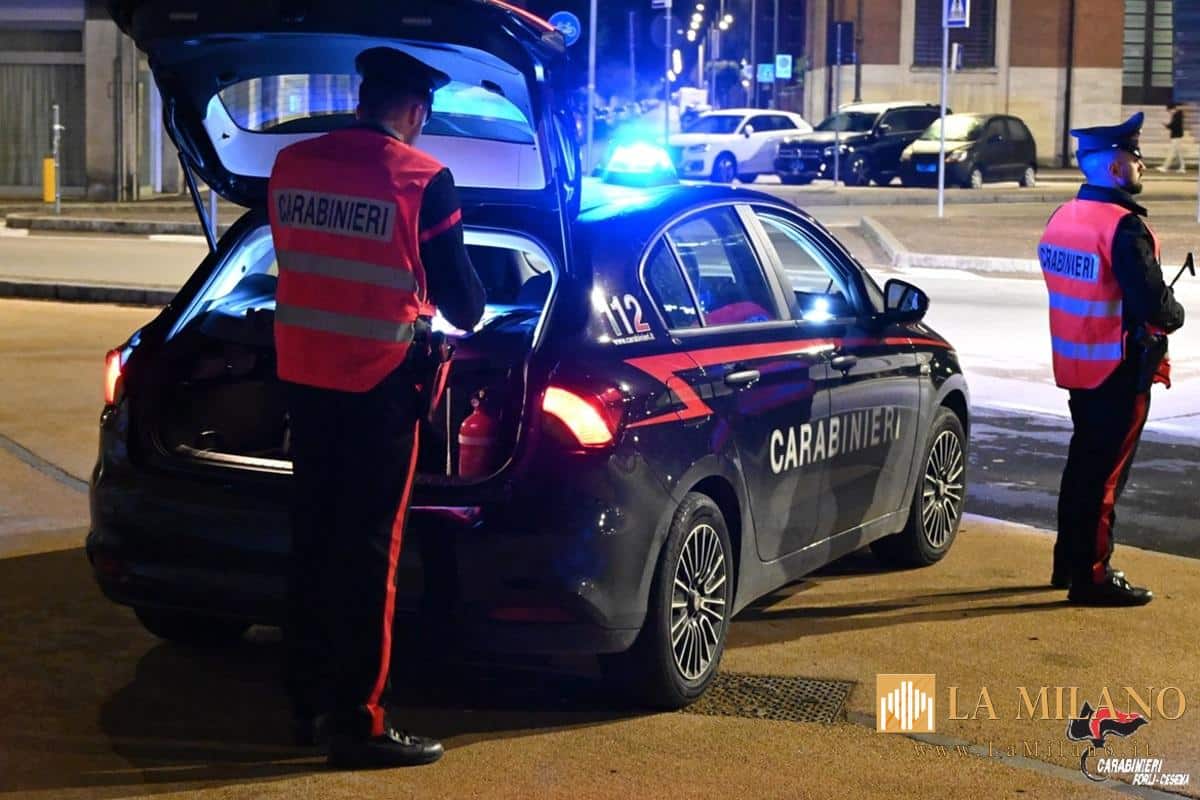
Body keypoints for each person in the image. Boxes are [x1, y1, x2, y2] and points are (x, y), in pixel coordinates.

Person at [268, 46, 485, 768]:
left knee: (312, 545)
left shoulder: (292, 165)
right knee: (369, 556)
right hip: (377, 388)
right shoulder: (423, 179)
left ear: (363, 97)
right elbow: (465, 302)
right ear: (416, 110)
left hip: (302, 380)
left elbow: (304, 261)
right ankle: (357, 724)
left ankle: (304, 706)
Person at [1040, 111, 1184, 606]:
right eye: (1134, 156)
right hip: (1119, 371)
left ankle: (1068, 561)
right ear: (1115, 167)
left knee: (1080, 466)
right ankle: (1093, 577)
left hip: (1077, 366)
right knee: (1103, 480)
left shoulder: (1063, 218)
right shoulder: (1124, 228)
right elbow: (1154, 307)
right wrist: (1176, 311)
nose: (1142, 164)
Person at [1156, 103, 1186, 173]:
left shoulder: (1177, 115)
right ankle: (1183, 167)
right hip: (1176, 136)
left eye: (1169, 110)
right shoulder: (1177, 115)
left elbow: (1174, 126)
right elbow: (1174, 125)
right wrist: (1168, 125)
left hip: (1176, 136)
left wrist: (1167, 125)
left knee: (1172, 152)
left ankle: (1165, 167)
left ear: (1173, 109)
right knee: (1179, 153)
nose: (1169, 112)